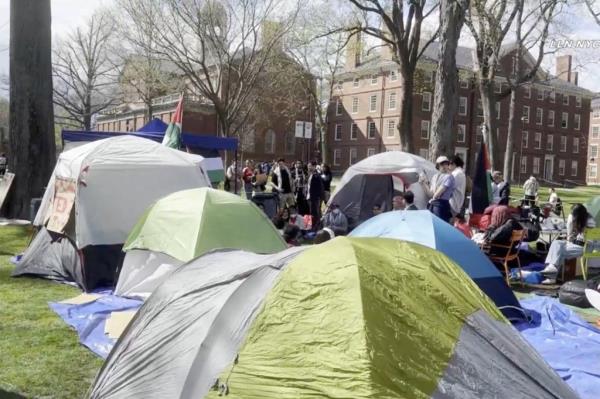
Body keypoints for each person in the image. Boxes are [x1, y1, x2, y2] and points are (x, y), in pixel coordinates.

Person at [541, 204, 596, 284]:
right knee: (557, 243)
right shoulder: (589, 220)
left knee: (559, 251)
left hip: (584, 248)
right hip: (585, 246)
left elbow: (569, 236)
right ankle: (552, 268)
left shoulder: (585, 221)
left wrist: (571, 221)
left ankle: (552, 274)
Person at [421, 156, 455, 223]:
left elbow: (436, 195)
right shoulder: (435, 177)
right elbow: (431, 194)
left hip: (441, 205)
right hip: (433, 205)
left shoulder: (449, 177)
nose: (445, 166)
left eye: (447, 164)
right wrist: (423, 183)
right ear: (438, 165)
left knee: (440, 226)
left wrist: (433, 196)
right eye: (442, 164)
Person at [306, 161, 324, 231]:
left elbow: (320, 187)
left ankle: (316, 227)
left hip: (314, 198)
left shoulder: (316, 175)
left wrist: (318, 197)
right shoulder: (310, 174)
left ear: (314, 166)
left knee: (315, 213)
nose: (308, 167)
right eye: (308, 166)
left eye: (310, 166)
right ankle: (312, 226)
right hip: (309, 197)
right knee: (311, 212)